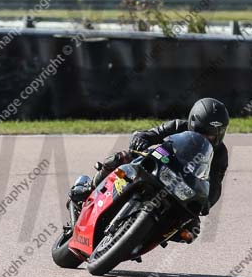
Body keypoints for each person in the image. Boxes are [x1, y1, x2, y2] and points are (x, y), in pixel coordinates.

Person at [69, 98, 229, 243]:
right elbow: (151, 134)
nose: (208, 139)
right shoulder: (178, 126)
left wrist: (206, 203)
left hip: (181, 190)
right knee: (122, 158)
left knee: (191, 229)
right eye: (203, 133)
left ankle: (144, 237)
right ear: (193, 124)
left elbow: (215, 186)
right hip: (158, 168)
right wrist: (141, 139)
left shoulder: (220, 154)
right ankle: (89, 188)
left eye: (212, 136)